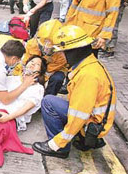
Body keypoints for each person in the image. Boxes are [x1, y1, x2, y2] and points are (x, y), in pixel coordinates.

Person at [33, 25, 116, 159]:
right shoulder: (89, 65)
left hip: (92, 124)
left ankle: (61, 149)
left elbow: (79, 115)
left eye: (62, 52)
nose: (60, 55)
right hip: (96, 121)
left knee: (48, 102)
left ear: (73, 51)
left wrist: (57, 143)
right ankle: (82, 138)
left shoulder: (87, 76)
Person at [0, 55, 47, 131]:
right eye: (32, 61)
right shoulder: (12, 79)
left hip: (13, 117)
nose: (33, 64)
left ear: (39, 72)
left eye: (37, 64)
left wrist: (8, 118)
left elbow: (26, 109)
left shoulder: (38, 89)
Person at [23, 19, 67, 96]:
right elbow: (24, 64)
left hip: (52, 70)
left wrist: (38, 81)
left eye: (50, 49)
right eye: (43, 47)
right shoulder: (32, 44)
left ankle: (47, 99)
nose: (46, 50)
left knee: (57, 78)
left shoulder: (62, 55)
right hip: (37, 67)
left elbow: (48, 72)